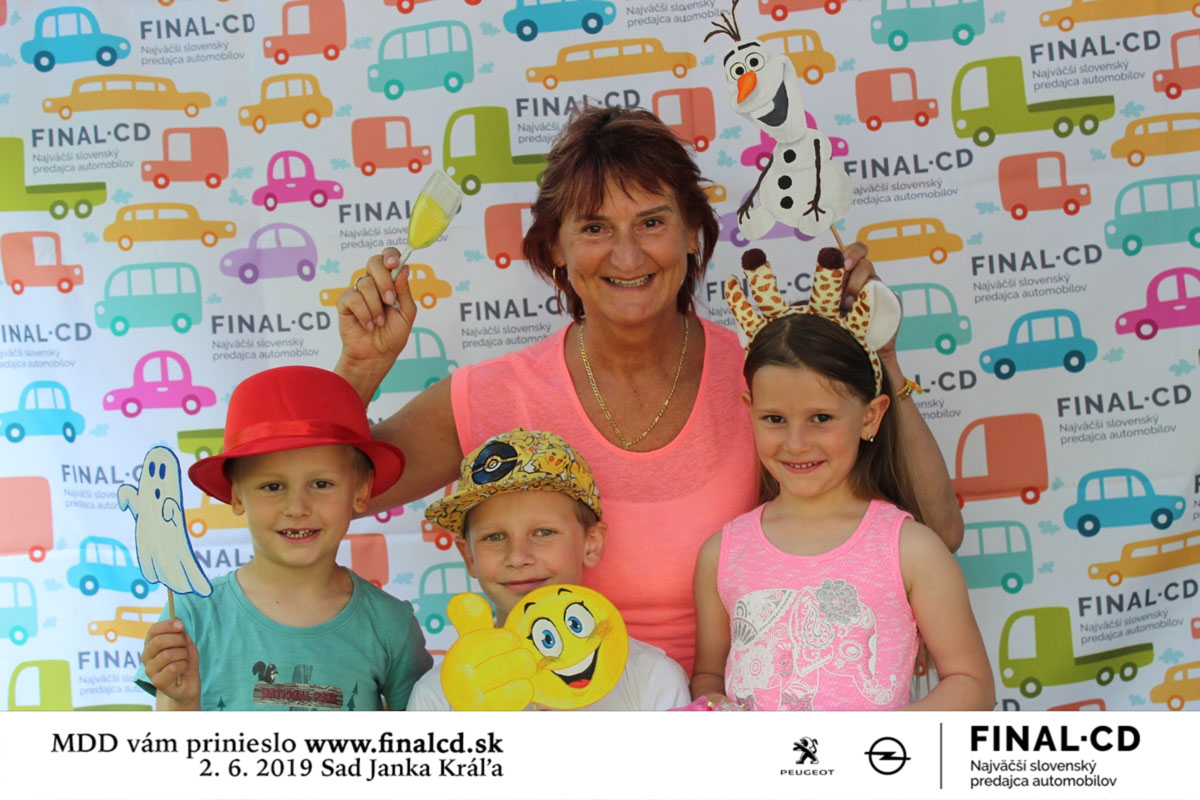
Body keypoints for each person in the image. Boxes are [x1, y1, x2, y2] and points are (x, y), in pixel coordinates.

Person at [337, 105, 962, 674]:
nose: (628, 256)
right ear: (555, 247)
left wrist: (880, 356)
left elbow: (938, 531)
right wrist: (361, 367)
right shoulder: (495, 393)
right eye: (595, 228)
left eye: (652, 222)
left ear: (693, 233)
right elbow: (337, 495)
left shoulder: (764, 377)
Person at [690, 249, 993, 711]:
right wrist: (714, 705)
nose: (796, 443)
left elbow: (971, 683)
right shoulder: (722, 554)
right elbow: (709, 675)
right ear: (750, 411)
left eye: (821, 418)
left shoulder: (910, 549)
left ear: (870, 417)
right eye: (774, 418)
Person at [135, 366, 433, 711]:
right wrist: (179, 699)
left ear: (360, 490)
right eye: (272, 486)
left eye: (321, 484)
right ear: (236, 496)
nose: (296, 507)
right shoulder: (193, 614)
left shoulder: (390, 624)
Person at [407, 428, 690, 711]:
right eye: (494, 537)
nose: (518, 557)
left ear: (591, 544)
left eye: (544, 532)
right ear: (469, 557)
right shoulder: (438, 697)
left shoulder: (652, 679)